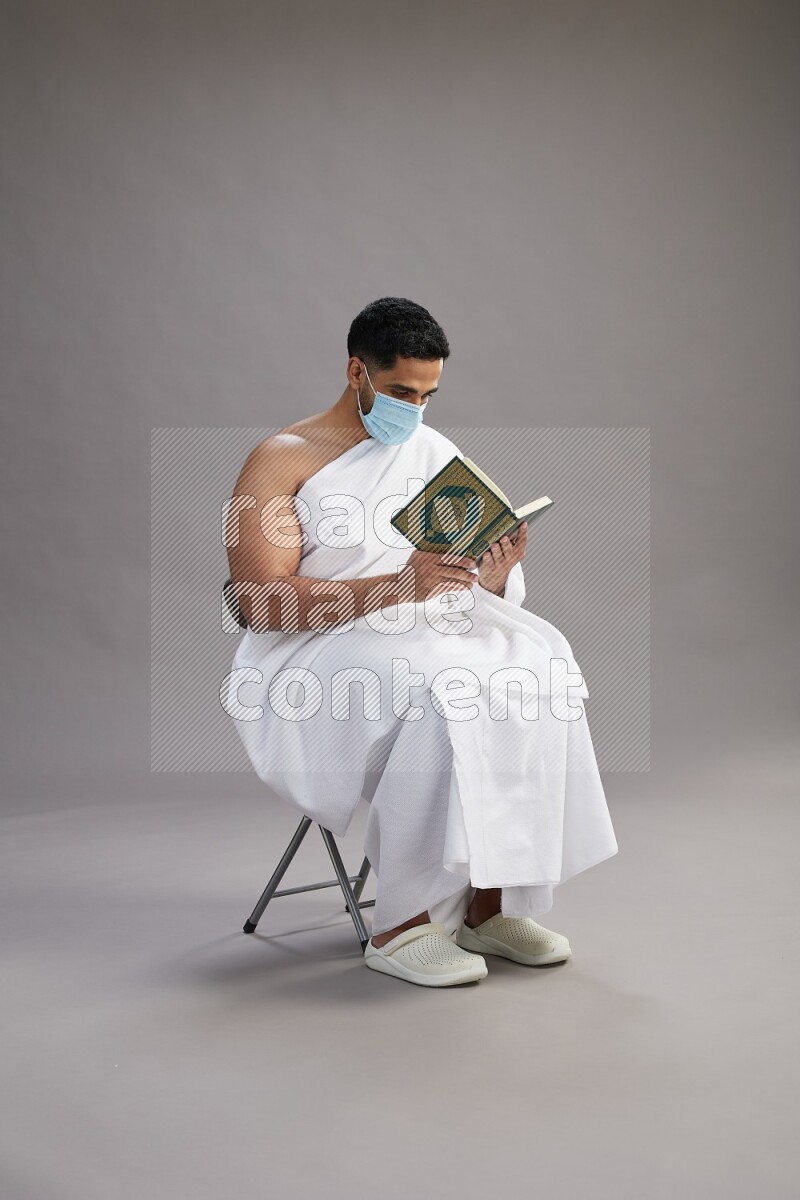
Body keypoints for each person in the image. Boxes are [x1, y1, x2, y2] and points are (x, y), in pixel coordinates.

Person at [222, 296, 618, 988]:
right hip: (312, 651)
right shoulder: (280, 461)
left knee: (538, 664)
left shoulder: (431, 450)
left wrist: (493, 577)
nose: (415, 408)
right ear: (357, 371)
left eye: (429, 394)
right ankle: (402, 924)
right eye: (402, 390)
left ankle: (490, 905)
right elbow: (260, 604)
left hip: (422, 627)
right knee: (445, 689)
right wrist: (397, 588)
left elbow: (452, 581)